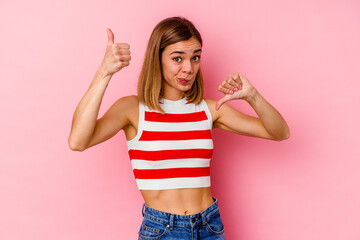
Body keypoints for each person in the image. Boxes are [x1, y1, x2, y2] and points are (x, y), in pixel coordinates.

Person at [68, 16, 289, 240]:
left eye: (195, 58)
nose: (188, 68)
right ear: (158, 59)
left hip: (210, 227)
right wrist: (104, 72)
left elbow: (280, 132)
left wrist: (252, 96)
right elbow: (78, 141)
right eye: (177, 58)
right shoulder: (133, 109)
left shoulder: (210, 109)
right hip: (163, 229)